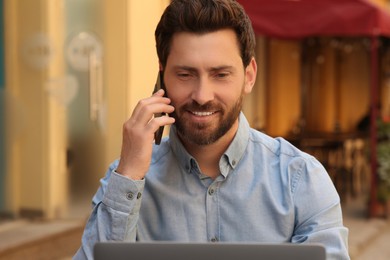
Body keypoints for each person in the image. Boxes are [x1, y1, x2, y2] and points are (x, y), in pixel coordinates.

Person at [74, 0, 349, 259]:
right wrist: (129, 174)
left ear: (249, 76)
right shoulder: (125, 179)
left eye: (220, 74)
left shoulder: (300, 179)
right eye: (185, 74)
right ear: (162, 75)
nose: (202, 95)